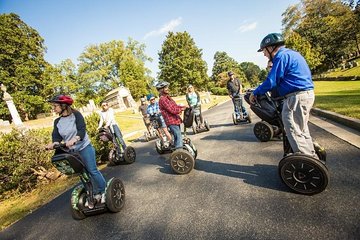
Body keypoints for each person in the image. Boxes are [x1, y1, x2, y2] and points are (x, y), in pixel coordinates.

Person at [249, 33, 317, 158]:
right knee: (301, 129)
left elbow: (271, 81)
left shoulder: (281, 56)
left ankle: (304, 161)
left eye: (264, 50)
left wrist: (255, 92)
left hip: (295, 97)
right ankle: (311, 156)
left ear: (271, 47)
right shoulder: (293, 54)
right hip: (306, 94)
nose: (264, 54)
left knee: (292, 129)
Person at [45, 95, 106, 205]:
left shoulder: (76, 115)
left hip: (84, 147)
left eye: (55, 106)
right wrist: (53, 144)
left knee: (92, 170)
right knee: (82, 173)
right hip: (72, 151)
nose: (53, 108)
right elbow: (56, 136)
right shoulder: (57, 121)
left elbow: (81, 130)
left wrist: (75, 139)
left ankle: (103, 190)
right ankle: (91, 194)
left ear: (63, 106)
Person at [156, 81, 187, 149]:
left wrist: (183, 107)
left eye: (167, 87)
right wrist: (181, 109)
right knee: (178, 137)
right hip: (171, 121)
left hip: (175, 120)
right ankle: (179, 153)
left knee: (177, 137)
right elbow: (172, 110)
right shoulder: (163, 99)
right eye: (165, 87)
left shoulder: (167, 98)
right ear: (161, 90)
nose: (167, 88)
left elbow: (175, 106)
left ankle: (177, 151)